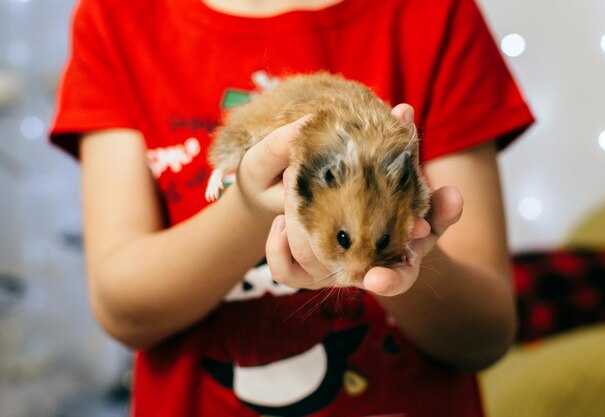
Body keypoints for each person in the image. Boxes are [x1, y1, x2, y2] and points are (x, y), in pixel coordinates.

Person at [50, 0, 534, 415]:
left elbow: (486, 335)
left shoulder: (436, 13)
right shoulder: (116, 19)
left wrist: (406, 259)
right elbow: (123, 310)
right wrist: (247, 211)